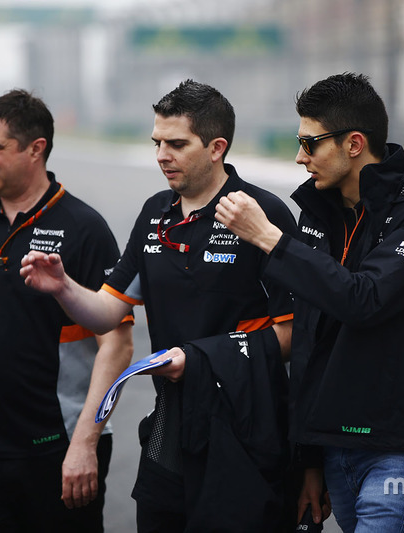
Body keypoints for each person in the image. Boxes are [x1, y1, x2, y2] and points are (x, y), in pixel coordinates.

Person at [20, 80, 298, 532]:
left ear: (216, 147)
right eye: (156, 143)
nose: (161, 155)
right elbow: (107, 313)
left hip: (246, 432)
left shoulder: (260, 213)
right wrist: (64, 288)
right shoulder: (155, 212)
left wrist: (202, 359)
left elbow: (294, 334)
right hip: (170, 428)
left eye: (176, 144)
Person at [215, 72, 404, 532]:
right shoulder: (320, 211)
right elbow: (310, 338)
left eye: (310, 144)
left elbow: (363, 298)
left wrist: (269, 237)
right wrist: (308, 457)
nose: (299, 157)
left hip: (392, 443)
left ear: (353, 143)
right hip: (331, 444)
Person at [0, 89, 134, 532]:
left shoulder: (84, 229)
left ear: (36, 149)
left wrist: (85, 443)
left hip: (57, 450)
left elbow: (116, 343)